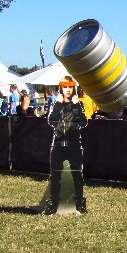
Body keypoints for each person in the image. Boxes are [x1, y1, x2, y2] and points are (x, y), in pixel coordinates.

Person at [44, 76, 88, 215]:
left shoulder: (78, 103)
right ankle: (53, 205)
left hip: (74, 143)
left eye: (69, 87)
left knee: (77, 175)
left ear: (73, 88)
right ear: (60, 88)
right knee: (55, 175)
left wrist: (76, 106)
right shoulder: (56, 103)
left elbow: (84, 122)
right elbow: (51, 121)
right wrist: (57, 104)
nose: (67, 90)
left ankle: (80, 204)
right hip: (58, 143)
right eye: (64, 87)